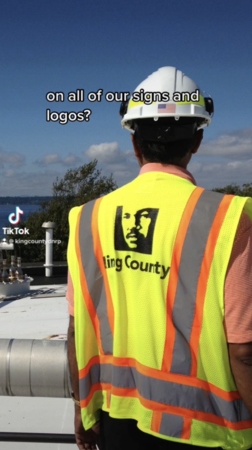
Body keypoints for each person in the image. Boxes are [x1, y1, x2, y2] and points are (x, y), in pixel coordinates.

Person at [67, 66, 252, 450]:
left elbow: (76, 330)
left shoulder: (86, 218)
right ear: (197, 140)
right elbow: (244, 349)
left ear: (134, 144)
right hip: (206, 428)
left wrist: (82, 409)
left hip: (116, 418)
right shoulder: (231, 219)